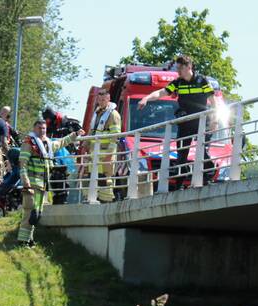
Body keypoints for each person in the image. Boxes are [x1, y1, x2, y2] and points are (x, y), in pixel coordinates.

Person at [137, 55, 215, 186]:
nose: (178, 71)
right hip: (185, 122)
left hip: (201, 122)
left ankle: (207, 177)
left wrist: (215, 120)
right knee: (181, 155)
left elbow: (214, 102)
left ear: (189, 67)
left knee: (202, 152)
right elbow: (161, 93)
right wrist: (146, 98)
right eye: (177, 68)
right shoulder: (178, 83)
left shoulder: (202, 81)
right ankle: (179, 183)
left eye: (180, 68)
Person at [17, 118, 84, 246]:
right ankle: (22, 241)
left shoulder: (47, 144)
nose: (42, 131)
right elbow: (22, 164)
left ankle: (28, 239)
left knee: (36, 213)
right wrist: (26, 182)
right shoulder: (29, 143)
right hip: (32, 183)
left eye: (44, 129)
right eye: (39, 128)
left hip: (42, 184)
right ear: (34, 129)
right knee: (30, 212)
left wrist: (75, 134)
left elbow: (61, 143)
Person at [86, 88, 122, 202]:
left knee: (106, 179)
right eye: (99, 99)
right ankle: (94, 199)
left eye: (103, 99)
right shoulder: (97, 113)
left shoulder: (113, 114)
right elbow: (92, 131)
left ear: (108, 99)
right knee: (93, 177)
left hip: (106, 153)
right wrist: (86, 145)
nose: (101, 102)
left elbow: (115, 135)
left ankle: (106, 202)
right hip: (94, 153)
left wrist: (110, 154)